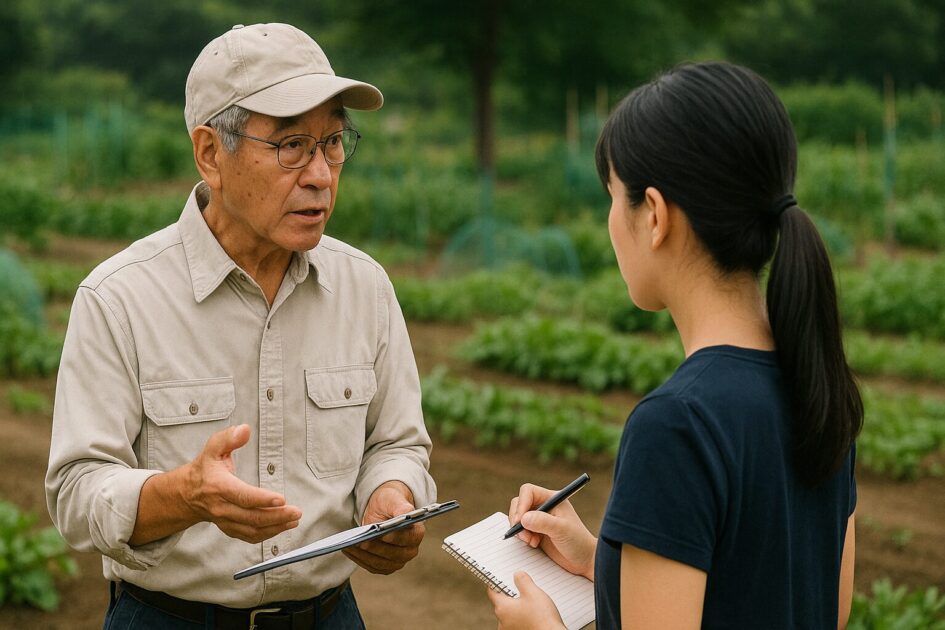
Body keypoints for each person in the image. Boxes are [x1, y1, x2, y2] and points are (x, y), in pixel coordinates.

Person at [45, 22, 436, 629]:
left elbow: (397, 443)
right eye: (290, 146)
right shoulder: (120, 297)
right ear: (210, 153)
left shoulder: (366, 287)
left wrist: (392, 495)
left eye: (332, 142)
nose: (320, 174)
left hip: (331, 615)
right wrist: (183, 496)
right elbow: (76, 490)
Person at [488, 62, 862, 629]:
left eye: (614, 197)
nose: (612, 221)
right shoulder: (816, 383)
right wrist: (603, 560)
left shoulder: (677, 424)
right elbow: (817, 608)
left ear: (655, 216)